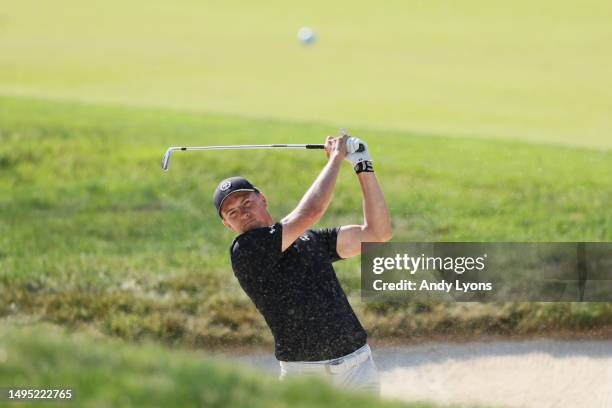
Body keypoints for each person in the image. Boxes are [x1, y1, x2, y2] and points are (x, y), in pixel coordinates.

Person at [212, 133, 392, 395]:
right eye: (232, 212)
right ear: (227, 224)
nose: (243, 213)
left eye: (247, 203)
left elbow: (377, 233)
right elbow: (311, 211)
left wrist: (363, 164)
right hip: (305, 378)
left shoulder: (308, 238)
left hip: (358, 368)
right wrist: (337, 159)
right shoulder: (245, 251)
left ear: (263, 199)